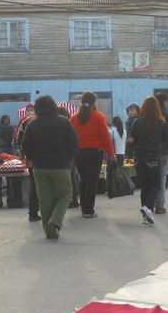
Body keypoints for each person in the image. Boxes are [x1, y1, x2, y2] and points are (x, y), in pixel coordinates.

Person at [21, 95, 79, 240]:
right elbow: (74, 142)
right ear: (53, 106)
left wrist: (34, 157)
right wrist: (68, 157)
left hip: (39, 167)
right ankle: (55, 222)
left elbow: (25, 146)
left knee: (45, 199)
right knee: (65, 195)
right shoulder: (64, 122)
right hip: (60, 166)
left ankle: (49, 231)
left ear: (37, 108)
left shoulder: (32, 124)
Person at [70, 91, 115, 219]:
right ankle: (89, 210)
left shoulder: (74, 118)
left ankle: (84, 207)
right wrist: (111, 153)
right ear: (94, 103)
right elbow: (105, 137)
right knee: (92, 181)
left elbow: (71, 137)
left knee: (83, 179)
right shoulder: (99, 117)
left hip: (79, 152)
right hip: (95, 152)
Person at [129, 96, 168, 225]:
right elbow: (167, 138)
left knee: (145, 186)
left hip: (139, 157)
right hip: (153, 157)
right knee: (156, 184)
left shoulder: (137, 122)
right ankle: (147, 207)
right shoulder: (160, 122)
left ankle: (146, 216)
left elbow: (132, 140)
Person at [14, 109, 41, 222]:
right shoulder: (57, 120)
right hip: (52, 162)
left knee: (34, 186)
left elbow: (19, 140)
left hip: (32, 161)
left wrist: (28, 155)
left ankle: (33, 213)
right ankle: (51, 214)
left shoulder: (27, 121)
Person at [153, 92, 168, 214]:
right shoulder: (167, 117)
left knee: (151, 179)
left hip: (150, 152)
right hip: (164, 152)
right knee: (161, 179)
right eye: (167, 102)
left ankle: (149, 204)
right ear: (164, 102)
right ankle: (159, 205)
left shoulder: (148, 116)